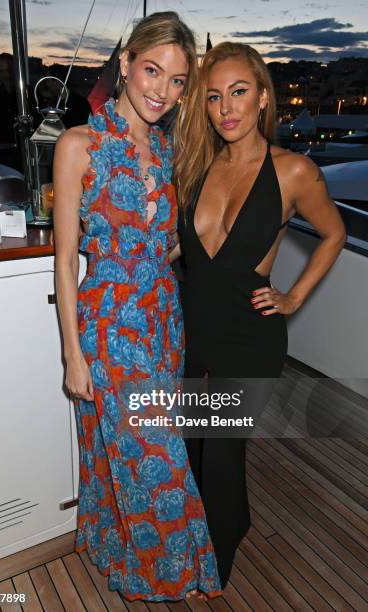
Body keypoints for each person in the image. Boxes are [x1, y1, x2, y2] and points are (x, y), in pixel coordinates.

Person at [52, 12, 222, 602]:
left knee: (119, 451)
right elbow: (67, 260)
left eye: (177, 81)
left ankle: (114, 550)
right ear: (124, 64)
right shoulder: (79, 145)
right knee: (159, 460)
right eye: (152, 71)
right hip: (109, 327)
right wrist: (73, 355)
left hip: (161, 319)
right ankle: (170, 572)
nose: (162, 90)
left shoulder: (173, 148)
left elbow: (167, 239)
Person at [174, 42, 346, 589]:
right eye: (215, 96)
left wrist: (294, 298)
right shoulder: (196, 166)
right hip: (192, 329)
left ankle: (214, 562)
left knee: (221, 452)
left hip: (251, 335)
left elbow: (335, 234)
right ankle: (230, 522)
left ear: (263, 98)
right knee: (194, 445)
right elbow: (181, 250)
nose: (227, 108)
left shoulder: (294, 171)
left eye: (239, 92)